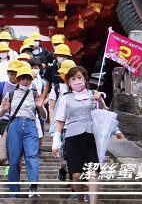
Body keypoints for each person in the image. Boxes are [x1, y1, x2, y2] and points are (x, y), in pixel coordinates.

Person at [52, 65, 121, 204]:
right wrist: (56, 141)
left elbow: (104, 114)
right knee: (76, 175)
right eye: (73, 79)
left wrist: (100, 100)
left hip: (91, 137)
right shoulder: (65, 98)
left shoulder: (94, 94)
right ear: (69, 82)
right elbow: (60, 121)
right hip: (73, 138)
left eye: (79, 77)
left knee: (92, 172)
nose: (77, 81)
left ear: (85, 79)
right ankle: (81, 200)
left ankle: (93, 202)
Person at [0, 64, 47, 198]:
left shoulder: (35, 94)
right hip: (15, 126)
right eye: (23, 78)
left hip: (31, 125)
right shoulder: (11, 94)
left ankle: (33, 187)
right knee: (14, 160)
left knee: (32, 156)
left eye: (28, 79)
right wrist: (4, 108)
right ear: (18, 79)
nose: (26, 81)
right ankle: (14, 191)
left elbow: (44, 116)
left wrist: (40, 106)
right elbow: (0, 114)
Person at [42, 43, 73, 123]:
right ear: (55, 56)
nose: (61, 58)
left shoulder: (73, 68)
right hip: (55, 94)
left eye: (64, 56)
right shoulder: (51, 68)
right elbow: (46, 85)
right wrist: (42, 99)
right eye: (59, 55)